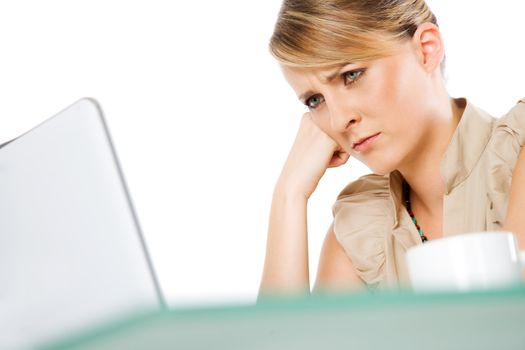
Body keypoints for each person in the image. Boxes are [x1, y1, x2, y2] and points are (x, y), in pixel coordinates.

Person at [258, 0, 525, 298]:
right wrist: (289, 194)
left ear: (426, 49)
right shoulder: (362, 232)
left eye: (351, 75)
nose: (338, 119)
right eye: (315, 100)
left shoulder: (518, 154)